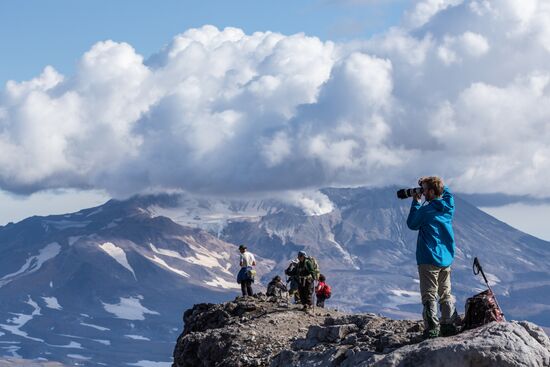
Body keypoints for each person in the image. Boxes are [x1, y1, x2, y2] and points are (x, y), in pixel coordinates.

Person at [406, 176, 458, 338]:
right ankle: (448, 325)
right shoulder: (448, 206)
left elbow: (412, 224)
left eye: (424, 189)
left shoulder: (426, 210)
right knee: (445, 293)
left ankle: (432, 329)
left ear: (430, 191)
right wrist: (436, 184)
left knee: (429, 295)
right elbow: (447, 193)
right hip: (446, 258)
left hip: (428, 258)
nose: (422, 192)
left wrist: (416, 201)